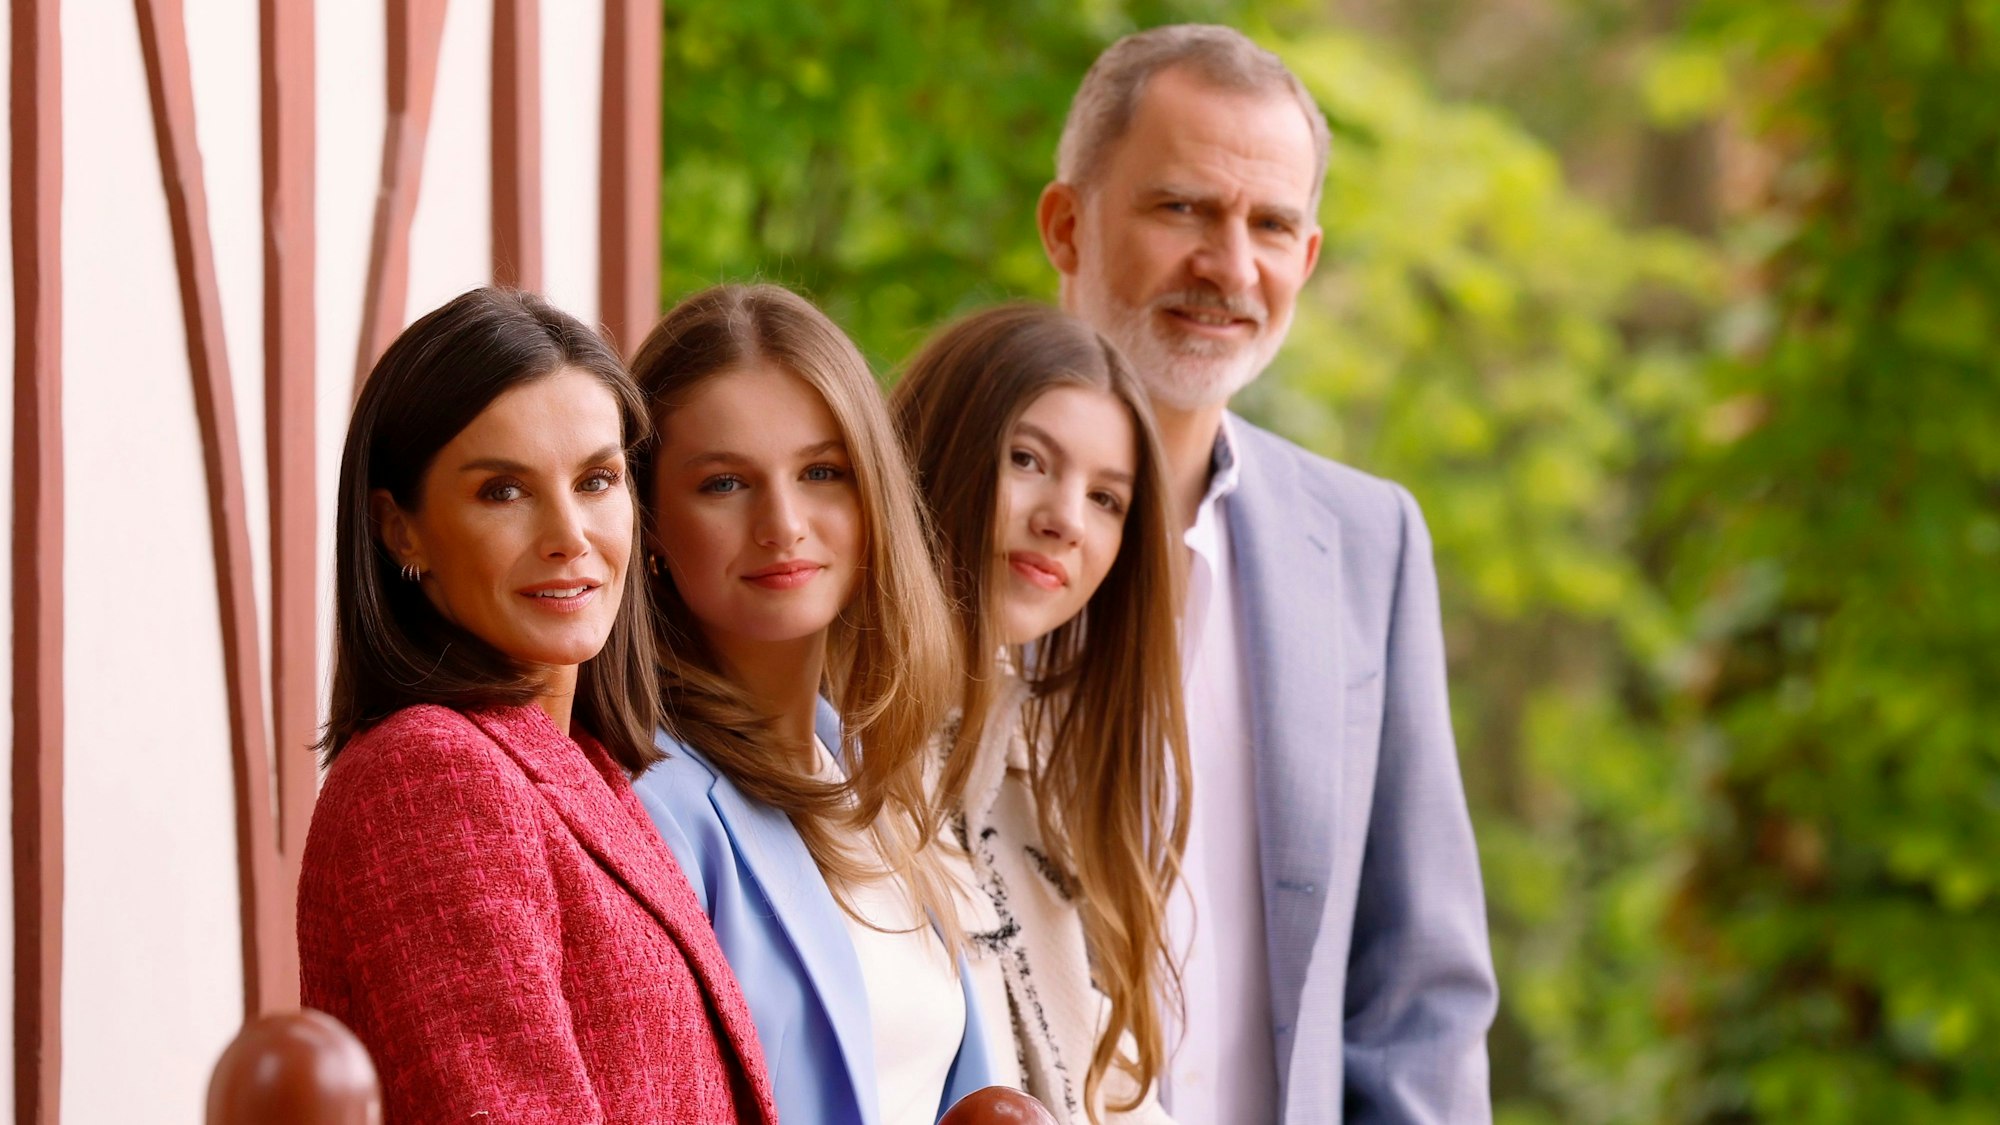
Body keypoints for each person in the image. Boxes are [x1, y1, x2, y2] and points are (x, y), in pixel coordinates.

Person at [1035, 25, 1499, 1124]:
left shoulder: (1366, 542)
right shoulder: (918, 518)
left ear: (1307, 257)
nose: (1228, 267)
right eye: (1182, 208)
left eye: (1270, 224)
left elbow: (1418, 992)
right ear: (1065, 225)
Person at [297, 287, 776, 1123]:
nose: (570, 533)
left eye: (597, 479)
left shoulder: (582, 767)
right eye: (503, 492)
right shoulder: (429, 776)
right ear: (398, 528)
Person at [628, 283, 1002, 1125]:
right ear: (648, 519)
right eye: (725, 483)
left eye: (822, 472)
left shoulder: (873, 775)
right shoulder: (649, 806)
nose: (783, 522)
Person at [894, 304, 1192, 1125]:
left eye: (1106, 498)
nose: (1065, 518)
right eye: (1028, 459)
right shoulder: (836, 743)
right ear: (937, 449)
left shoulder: (1032, 777)